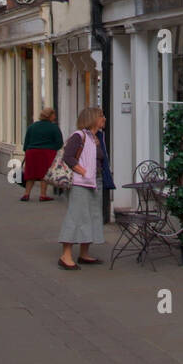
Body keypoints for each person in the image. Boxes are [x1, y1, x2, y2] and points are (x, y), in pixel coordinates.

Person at [58, 105, 105, 269]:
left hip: (93, 182)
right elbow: (68, 157)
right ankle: (65, 256)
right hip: (80, 183)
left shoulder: (96, 137)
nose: (104, 119)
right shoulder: (78, 136)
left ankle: (84, 254)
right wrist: (83, 172)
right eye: (101, 116)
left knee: (91, 217)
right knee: (75, 216)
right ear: (92, 119)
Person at [20, 106, 63, 202]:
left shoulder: (32, 126)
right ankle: (43, 195)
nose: (55, 117)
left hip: (32, 152)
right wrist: (53, 149)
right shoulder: (54, 127)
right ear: (50, 116)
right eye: (54, 115)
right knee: (44, 174)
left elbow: (26, 142)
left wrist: (27, 150)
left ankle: (26, 194)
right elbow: (59, 143)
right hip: (46, 153)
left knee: (31, 174)